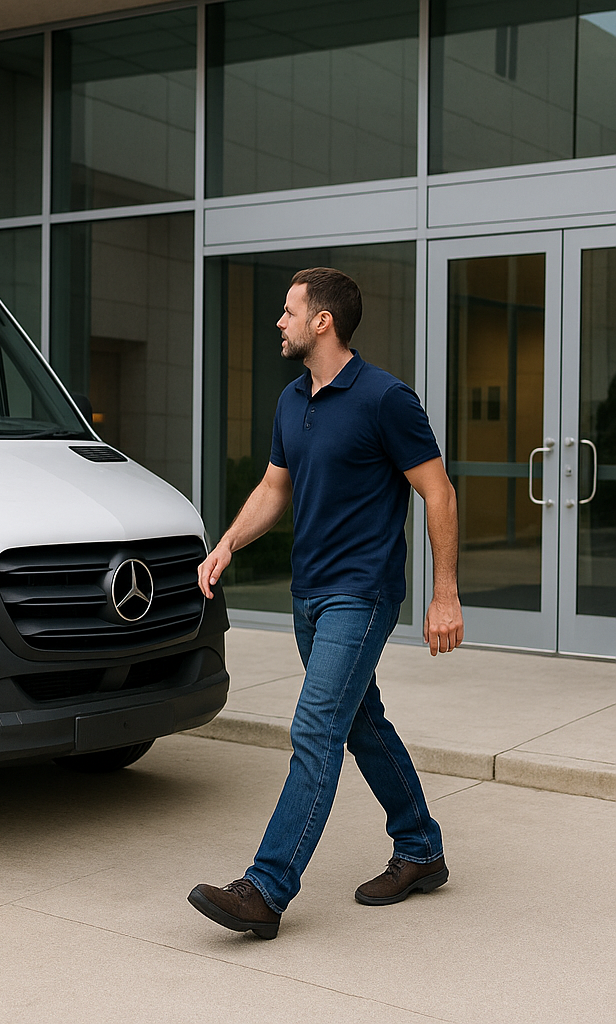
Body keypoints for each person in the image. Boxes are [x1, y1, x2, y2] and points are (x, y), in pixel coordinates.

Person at [188, 267, 463, 940]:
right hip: (308, 593)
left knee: (315, 730)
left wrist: (444, 593)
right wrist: (227, 543)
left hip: (360, 594)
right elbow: (274, 488)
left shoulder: (385, 399)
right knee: (360, 722)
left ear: (323, 321)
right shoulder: (291, 400)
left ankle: (266, 888)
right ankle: (421, 848)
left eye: (289, 311)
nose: (279, 322)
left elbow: (438, 491)